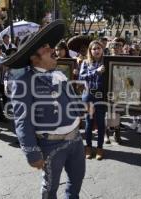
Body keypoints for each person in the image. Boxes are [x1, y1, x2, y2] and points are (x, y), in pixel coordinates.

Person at [5, 21, 85, 198]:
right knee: (50, 188)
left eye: (50, 45)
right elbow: (22, 119)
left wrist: (81, 111)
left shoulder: (60, 73)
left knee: (76, 181)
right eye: (45, 47)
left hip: (76, 140)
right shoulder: (23, 82)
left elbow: (71, 98)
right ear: (34, 57)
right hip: (51, 145)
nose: (52, 49)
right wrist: (32, 152)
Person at [79, 40, 106, 160]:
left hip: (101, 96)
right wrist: (96, 71)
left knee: (101, 123)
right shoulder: (85, 62)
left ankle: (100, 148)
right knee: (89, 123)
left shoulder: (107, 62)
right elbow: (81, 76)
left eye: (98, 48)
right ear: (90, 51)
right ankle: (88, 147)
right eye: (94, 49)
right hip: (88, 95)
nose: (96, 51)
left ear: (102, 49)